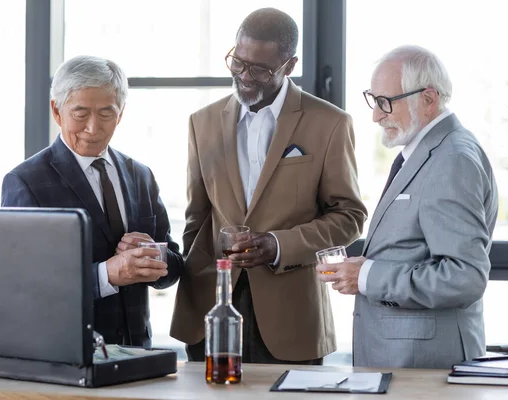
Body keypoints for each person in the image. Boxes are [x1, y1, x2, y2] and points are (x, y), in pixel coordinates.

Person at [170, 8, 367, 364]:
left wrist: (278, 245)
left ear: (289, 66)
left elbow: (349, 216)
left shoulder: (330, 123)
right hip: (210, 307)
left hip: (292, 316)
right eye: (237, 62)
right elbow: (196, 217)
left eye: (259, 69)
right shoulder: (202, 123)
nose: (244, 76)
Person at [318, 45, 499, 369]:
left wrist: (369, 276)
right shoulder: (427, 152)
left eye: (385, 102)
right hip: (404, 359)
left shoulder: (452, 160)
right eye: (373, 100)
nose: (376, 115)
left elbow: (465, 276)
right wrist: (366, 266)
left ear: (428, 99)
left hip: (425, 365)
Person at [1, 55, 183, 348]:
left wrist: (153, 257)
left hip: (136, 351)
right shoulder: (26, 181)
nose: (93, 128)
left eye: (106, 113)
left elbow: (172, 268)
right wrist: (106, 275)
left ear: (121, 113)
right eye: (81, 113)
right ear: (57, 111)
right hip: (66, 350)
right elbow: (23, 283)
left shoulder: (141, 176)